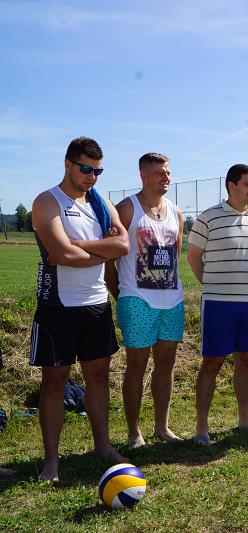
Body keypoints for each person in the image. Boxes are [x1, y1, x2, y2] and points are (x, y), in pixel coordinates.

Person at [29, 136, 129, 481]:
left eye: (98, 171)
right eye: (86, 169)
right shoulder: (47, 201)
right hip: (58, 306)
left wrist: (81, 246)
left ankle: (103, 446)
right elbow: (61, 254)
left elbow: (123, 245)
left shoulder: (101, 203)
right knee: (55, 382)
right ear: (68, 164)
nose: (92, 177)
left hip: (96, 304)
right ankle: (52, 461)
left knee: (98, 378)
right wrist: (101, 249)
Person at [105, 153, 184, 447]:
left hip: (171, 302)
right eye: (160, 173)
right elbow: (109, 263)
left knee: (166, 365)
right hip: (137, 300)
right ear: (143, 175)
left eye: (168, 172)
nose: (166, 178)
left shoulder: (175, 212)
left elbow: (175, 257)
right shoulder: (127, 209)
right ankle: (134, 432)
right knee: (136, 367)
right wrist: (123, 296)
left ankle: (162, 427)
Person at [187, 164, 248, 445]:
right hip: (218, 303)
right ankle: (201, 427)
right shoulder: (208, 217)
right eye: (247, 184)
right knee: (212, 363)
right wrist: (212, 284)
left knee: (246, 360)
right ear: (231, 185)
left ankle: (245, 419)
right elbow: (193, 257)